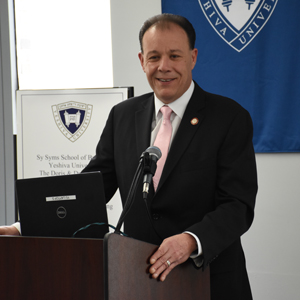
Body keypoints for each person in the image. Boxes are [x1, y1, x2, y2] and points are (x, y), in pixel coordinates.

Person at [0, 14, 257, 299]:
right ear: (141, 60)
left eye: (174, 56)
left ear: (193, 57)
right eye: (154, 56)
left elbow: (238, 205)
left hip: (209, 280)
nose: (164, 67)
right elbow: (89, 191)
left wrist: (190, 240)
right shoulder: (122, 115)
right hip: (139, 281)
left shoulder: (229, 118)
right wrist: (24, 228)